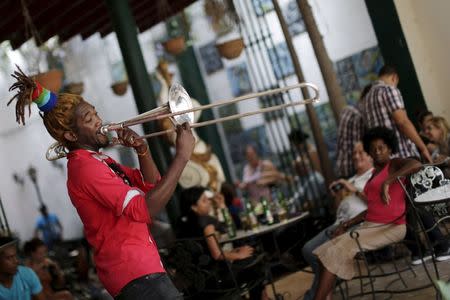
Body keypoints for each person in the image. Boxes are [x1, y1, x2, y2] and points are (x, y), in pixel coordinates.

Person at [7, 66, 195, 299]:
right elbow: (146, 209)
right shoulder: (85, 168)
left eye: (95, 114)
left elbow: (153, 187)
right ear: (71, 136)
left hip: (142, 267)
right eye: (89, 119)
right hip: (133, 271)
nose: (99, 121)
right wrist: (182, 157)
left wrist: (143, 151)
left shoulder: (99, 160)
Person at [312, 127, 422, 300]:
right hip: (369, 225)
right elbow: (370, 209)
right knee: (324, 252)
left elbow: (416, 164)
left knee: (337, 251)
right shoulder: (372, 176)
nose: (377, 152)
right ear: (369, 151)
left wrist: (389, 181)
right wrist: (346, 224)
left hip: (392, 226)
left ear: (390, 148)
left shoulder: (393, 165)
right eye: (373, 149)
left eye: (382, 147)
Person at [301, 142, 373, 300]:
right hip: (339, 224)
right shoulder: (352, 179)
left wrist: (353, 189)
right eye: (354, 153)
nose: (356, 156)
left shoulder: (372, 176)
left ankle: (316, 294)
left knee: (326, 255)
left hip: (359, 226)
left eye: (361, 152)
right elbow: (340, 209)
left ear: (370, 155)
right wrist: (338, 197)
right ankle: (334, 278)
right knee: (308, 249)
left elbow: (375, 204)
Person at [359, 65, 432, 163]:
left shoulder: (366, 100)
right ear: (394, 77)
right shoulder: (389, 90)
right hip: (404, 155)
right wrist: (423, 148)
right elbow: (402, 122)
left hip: (384, 160)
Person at [335, 85, 371, 178]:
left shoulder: (347, 110)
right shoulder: (359, 116)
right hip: (355, 168)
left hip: (342, 166)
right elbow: (358, 147)